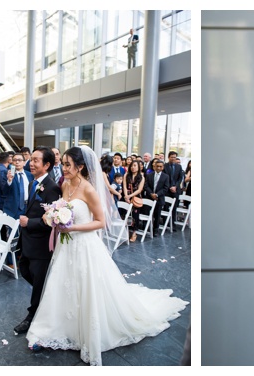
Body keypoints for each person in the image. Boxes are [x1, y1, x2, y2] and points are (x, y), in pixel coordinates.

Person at [25, 146, 188, 366]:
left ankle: (86, 330)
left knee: (86, 287)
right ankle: (55, 326)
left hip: (84, 245)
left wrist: (72, 228)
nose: (63, 168)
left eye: (67, 164)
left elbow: (101, 222)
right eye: (62, 164)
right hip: (66, 247)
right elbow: (59, 209)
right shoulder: (64, 184)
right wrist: (53, 217)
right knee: (63, 285)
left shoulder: (89, 189)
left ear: (80, 166)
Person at [14, 147, 63, 336]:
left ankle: (32, 316)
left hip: (41, 245)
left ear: (47, 165)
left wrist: (30, 222)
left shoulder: (52, 188)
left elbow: (54, 221)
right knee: (26, 271)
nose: (30, 163)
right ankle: (46, 299)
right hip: (27, 241)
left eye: (35, 160)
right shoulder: (32, 183)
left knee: (39, 280)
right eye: (31, 160)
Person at [4, 154, 34, 221]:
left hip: (27, 207)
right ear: (12, 162)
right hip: (14, 208)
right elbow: (4, 191)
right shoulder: (8, 174)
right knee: (14, 230)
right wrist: (9, 180)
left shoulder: (30, 175)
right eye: (15, 160)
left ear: (24, 162)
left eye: (19, 160)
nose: (17, 162)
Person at [145, 159, 171, 236]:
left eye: (160, 166)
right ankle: (145, 227)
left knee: (157, 215)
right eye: (157, 166)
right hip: (149, 197)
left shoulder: (166, 176)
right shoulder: (149, 175)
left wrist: (156, 195)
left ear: (163, 167)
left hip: (159, 198)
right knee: (147, 212)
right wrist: (151, 194)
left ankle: (155, 230)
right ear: (154, 167)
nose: (159, 168)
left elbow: (165, 188)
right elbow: (146, 186)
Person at [123, 160, 145, 242]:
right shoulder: (126, 175)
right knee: (127, 215)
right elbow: (124, 186)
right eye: (132, 165)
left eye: (135, 165)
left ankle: (134, 233)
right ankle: (127, 232)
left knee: (135, 215)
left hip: (135, 198)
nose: (133, 167)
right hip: (127, 197)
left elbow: (139, 190)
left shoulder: (141, 177)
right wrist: (126, 196)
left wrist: (130, 196)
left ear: (138, 167)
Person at [164, 151, 184, 218]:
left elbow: (180, 178)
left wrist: (175, 186)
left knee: (174, 208)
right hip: (167, 190)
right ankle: (165, 222)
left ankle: (173, 224)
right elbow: (164, 178)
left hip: (176, 190)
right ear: (168, 157)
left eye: (174, 157)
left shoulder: (179, 166)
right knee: (166, 207)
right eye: (171, 157)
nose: (173, 159)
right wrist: (170, 187)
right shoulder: (164, 166)